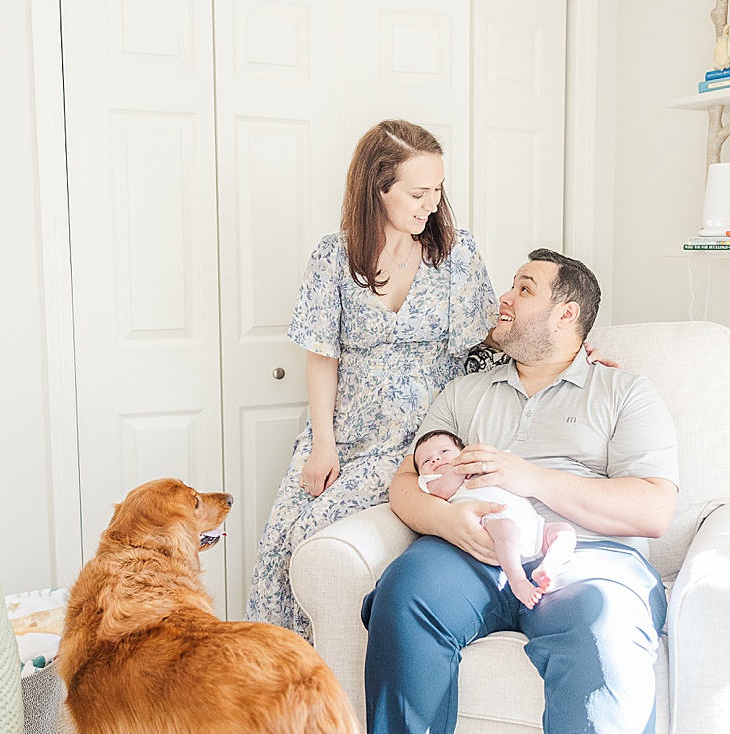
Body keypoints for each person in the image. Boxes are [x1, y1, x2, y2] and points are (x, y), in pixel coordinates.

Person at [361, 249, 680, 734]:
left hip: (586, 557)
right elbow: (405, 483)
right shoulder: (464, 394)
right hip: (469, 552)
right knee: (404, 592)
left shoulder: (624, 392)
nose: (504, 298)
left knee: (605, 625)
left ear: (566, 314)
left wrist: (528, 477)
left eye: (524, 289)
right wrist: (448, 523)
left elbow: (655, 509)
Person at [245, 120, 498, 639]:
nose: (431, 204)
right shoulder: (334, 258)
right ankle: (271, 691)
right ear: (377, 189)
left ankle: (307, 686)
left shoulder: (456, 254)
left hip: (420, 438)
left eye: (438, 190)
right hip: (348, 434)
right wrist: (323, 445)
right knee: (278, 546)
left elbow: (488, 337)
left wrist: (569, 350)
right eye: (417, 192)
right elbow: (321, 355)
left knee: (309, 533)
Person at [412, 429, 576, 609]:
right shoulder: (433, 479)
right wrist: (459, 469)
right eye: (426, 461)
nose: (435, 459)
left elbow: (509, 468)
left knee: (564, 531)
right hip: (492, 525)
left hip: (533, 525)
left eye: (444, 452)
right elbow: (441, 491)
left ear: (464, 452)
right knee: (507, 529)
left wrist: (477, 461)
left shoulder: (483, 462)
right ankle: (518, 581)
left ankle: (547, 568)